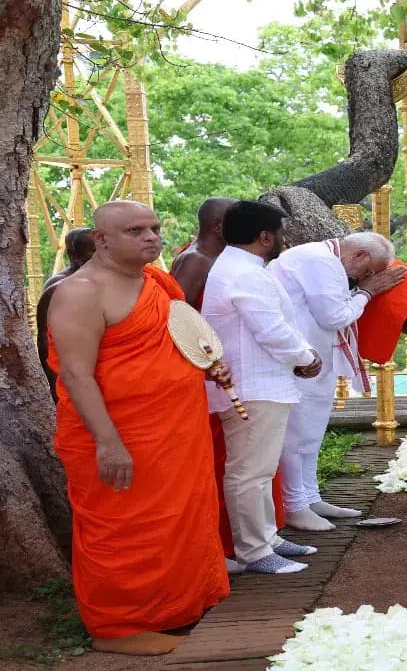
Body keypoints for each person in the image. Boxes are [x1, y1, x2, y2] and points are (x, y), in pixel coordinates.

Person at [46, 201, 229, 656]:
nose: (151, 237)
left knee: (177, 519)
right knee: (123, 529)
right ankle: (117, 626)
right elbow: (75, 374)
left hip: (174, 434)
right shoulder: (81, 291)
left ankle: (172, 608)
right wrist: (108, 442)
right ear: (102, 239)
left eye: (155, 228)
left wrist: (208, 366)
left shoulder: (155, 283)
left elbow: (179, 340)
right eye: (135, 230)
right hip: (118, 436)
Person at [202, 200, 321, 574]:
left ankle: (268, 538)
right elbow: (271, 331)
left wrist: (299, 357)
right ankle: (254, 551)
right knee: (250, 472)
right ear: (266, 236)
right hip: (253, 386)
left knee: (261, 470)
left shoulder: (245, 267)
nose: (283, 240)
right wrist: (306, 357)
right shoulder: (244, 272)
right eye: (281, 233)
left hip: (261, 383)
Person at [171, 197, 288, 571]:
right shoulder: (196, 261)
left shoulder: (231, 264)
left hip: (237, 376)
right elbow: (180, 318)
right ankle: (246, 548)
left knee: (256, 467)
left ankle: (263, 539)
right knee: (242, 469)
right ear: (220, 226)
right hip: (224, 376)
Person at [270, 233, 405, 531]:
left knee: (311, 434)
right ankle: (294, 505)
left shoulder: (327, 260)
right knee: (296, 435)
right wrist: (366, 293)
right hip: (295, 360)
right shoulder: (319, 260)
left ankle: (310, 497)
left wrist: (363, 289)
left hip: (315, 358)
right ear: (358, 254)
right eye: (368, 272)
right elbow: (334, 316)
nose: (365, 278)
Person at [37, 228, 95, 401]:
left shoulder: (98, 280)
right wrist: (55, 387)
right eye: (92, 251)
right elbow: (44, 340)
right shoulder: (58, 288)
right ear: (72, 254)